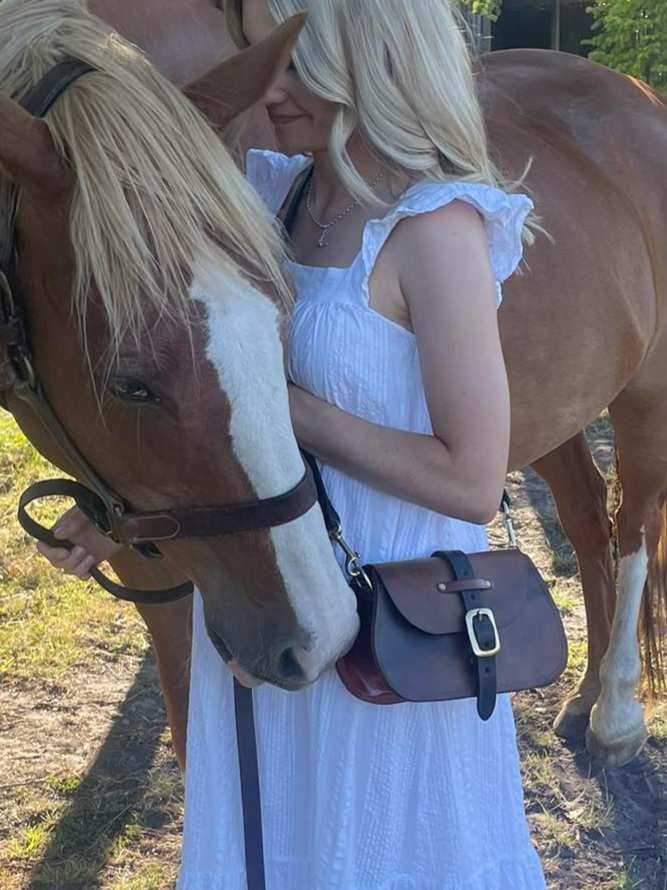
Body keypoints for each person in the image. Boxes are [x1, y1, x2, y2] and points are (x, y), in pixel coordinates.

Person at [40, 0, 546, 886]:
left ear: (375, 65)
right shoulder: (270, 194)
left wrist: (293, 409)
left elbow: (472, 480)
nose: (266, 91)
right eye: (258, 58)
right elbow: (208, 402)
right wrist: (121, 516)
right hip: (272, 585)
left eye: (298, 67)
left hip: (393, 632)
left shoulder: (436, 230)